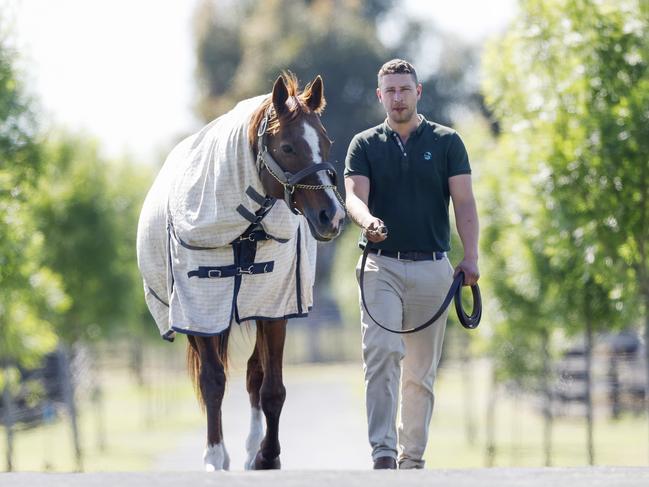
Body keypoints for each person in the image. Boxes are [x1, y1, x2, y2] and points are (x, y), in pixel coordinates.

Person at [344, 59, 480, 470]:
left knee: (420, 372)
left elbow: (465, 203)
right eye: (390, 90)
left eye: (405, 89)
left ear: (418, 92)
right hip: (380, 265)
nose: (398, 97)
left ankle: (412, 462)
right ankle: (383, 453)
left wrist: (470, 256)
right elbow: (353, 196)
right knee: (383, 351)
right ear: (379, 95)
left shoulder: (447, 142)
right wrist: (367, 221)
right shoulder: (364, 144)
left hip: (434, 268)